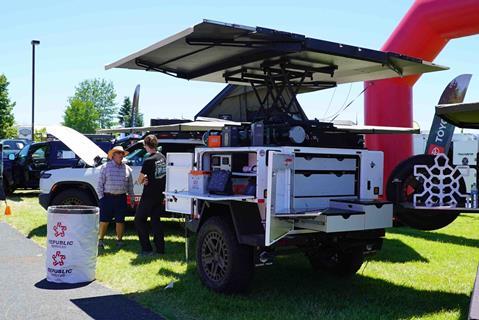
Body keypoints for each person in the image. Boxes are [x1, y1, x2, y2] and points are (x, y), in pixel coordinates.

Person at [135, 135, 167, 255]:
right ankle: (160, 249)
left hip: (149, 195)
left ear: (147, 146)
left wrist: (144, 180)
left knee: (139, 220)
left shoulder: (148, 160)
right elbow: (160, 175)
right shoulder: (162, 157)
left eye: (144, 145)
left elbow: (139, 180)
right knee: (155, 221)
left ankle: (147, 249)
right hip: (160, 194)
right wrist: (148, 178)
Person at [97, 146, 135, 249]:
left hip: (121, 198)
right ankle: (100, 240)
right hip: (107, 198)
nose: (121, 155)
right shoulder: (105, 167)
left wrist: (132, 198)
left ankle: (119, 240)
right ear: (113, 155)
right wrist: (102, 198)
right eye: (119, 153)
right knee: (104, 221)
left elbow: (130, 186)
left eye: (122, 153)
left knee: (120, 220)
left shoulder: (127, 169)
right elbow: (100, 184)